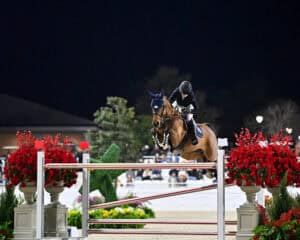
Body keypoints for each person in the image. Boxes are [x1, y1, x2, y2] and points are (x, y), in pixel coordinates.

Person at [169, 80, 199, 145]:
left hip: (187, 107)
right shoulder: (176, 91)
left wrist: (190, 111)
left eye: (186, 94)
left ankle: (193, 138)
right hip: (177, 105)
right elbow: (170, 100)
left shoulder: (191, 95)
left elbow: (196, 107)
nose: (184, 95)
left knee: (189, 120)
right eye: (183, 93)